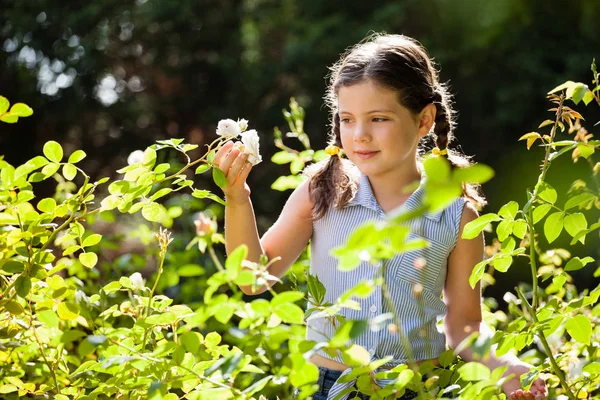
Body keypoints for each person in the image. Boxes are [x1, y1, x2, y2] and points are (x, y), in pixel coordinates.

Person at [207, 33, 547, 400]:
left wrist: (502, 365)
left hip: (423, 390)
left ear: (424, 121)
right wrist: (237, 199)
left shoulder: (456, 216)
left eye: (378, 118)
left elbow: (464, 326)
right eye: (348, 119)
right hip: (336, 389)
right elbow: (252, 279)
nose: (360, 135)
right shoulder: (321, 194)